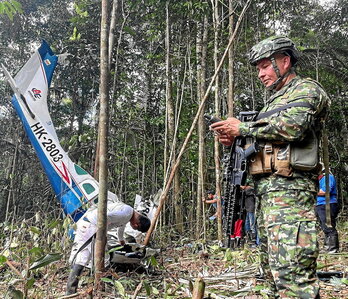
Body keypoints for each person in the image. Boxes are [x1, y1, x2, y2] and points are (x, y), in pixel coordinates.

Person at [211, 36, 330, 298]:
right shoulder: (272, 103)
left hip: (292, 194)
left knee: (293, 275)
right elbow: (266, 142)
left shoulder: (307, 90)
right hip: (268, 195)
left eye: (265, 66)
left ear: (285, 61)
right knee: (271, 276)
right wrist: (235, 138)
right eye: (258, 68)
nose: (261, 73)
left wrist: (241, 127)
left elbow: (294, 127)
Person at [66, 201, 151, 295]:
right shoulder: (126, 214)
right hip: (92, 227)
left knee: (82, 259)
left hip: (87, 224)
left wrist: (121, 239)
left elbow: (121, 226)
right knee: (103, 258)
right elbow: (105, 216)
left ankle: (70, 291)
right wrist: (103, 235)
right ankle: (104, 287)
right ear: (136, 225)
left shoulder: (128, 212)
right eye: (135, 229)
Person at [315, 170, 339, 253]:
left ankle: (333, 248)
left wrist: (312, 192)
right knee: (324, 226)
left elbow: (325, 191)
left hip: (327, 204)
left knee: (329, 226)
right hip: (320, 204)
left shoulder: (327, 177)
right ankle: (327, 247)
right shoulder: (318, 180)